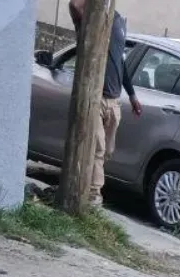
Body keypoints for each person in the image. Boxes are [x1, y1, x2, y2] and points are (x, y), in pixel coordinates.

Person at [66, 0, 142, 208]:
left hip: (114, 100)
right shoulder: (89, 14)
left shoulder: (118, 20)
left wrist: (132, 95)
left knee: (105, 151)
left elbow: (121, 62)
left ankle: (86, 185)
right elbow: (74, 5)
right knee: (97, 148)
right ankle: (93, 197)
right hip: (95, 97)